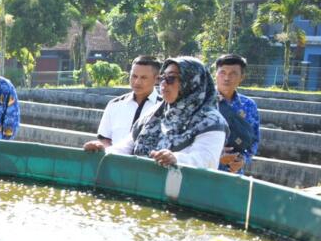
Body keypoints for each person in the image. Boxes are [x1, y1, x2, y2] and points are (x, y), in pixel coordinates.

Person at [87, 57, 228, 169]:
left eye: (171, 78)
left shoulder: (211, 121)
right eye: (162, 78)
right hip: (142, 187)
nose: (164, 84)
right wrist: (103, 151)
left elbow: (206, 160)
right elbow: (127, 146)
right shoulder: (155, 114)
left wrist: (175, 158)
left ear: (191, 82)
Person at [82, 56, 160, 150]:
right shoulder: (114, 105)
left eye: (143, 78)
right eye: (134, 76)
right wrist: (102, 147)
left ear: (156, 79)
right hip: (115, 162)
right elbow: (105, 138)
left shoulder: (164, 107)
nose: (137, 82)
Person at [214, 54, 260, 175]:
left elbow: (254, 139)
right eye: (222, 73)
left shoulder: (249, 105)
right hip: (205, 169)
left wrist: (243, 159)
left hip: (234, 173)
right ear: (215, 74)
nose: (227, 78)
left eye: (233, 74)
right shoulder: (202, 101)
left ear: (242, 77)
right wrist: (216, 154)